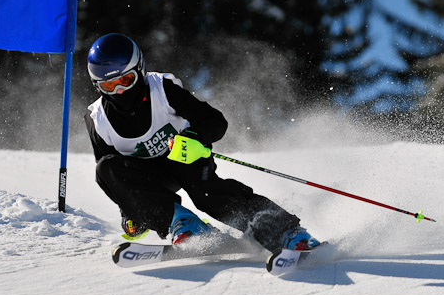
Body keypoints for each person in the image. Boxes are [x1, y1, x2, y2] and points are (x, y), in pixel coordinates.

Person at [84, 33, 319, 252]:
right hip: (151, 180)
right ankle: (183, 223)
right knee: (104, 167)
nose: (120, 90)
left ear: (140, 68)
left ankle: (286, 232)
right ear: (98, 86)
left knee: (210, 197)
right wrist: (131, 212)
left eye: (126, 80)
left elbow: (216, 122)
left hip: (186, 160)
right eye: (109, 86)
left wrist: (195, 137)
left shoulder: (163, 90)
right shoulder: (98, 120)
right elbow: (113, 178)